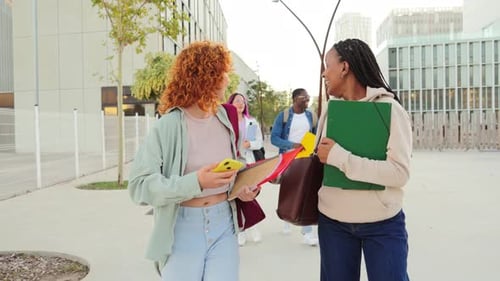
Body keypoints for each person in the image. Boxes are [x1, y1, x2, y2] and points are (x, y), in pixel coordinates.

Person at [127, 41, 259, 281]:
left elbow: (234, 165)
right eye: (222, 74)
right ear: (205, 77)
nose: (227, 80)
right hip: (182, 228)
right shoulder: (168, 126)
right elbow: (138, 186)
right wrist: (196, 182)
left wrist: (242, 188)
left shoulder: (226, 119)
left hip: (224, 225)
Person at [316, 38, 412, 281]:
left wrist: (341, 157)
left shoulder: (390, 109)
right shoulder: (329, 111)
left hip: (383, 224)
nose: (323, 73)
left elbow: (399, 173)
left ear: (345, 67)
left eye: (327, 65)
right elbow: (316, 157)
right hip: (333, 223)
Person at [270, 88, 318, 246]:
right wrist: (292, 145)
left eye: (308, 97)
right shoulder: (283, 116)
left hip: (307, 158)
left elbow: (317, 135)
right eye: (305, 97)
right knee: (289, 190)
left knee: (306, 192)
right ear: (295, 98)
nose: (307, 99)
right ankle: (287, 216)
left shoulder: (311, 115)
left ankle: (307, 232)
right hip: (289, 157)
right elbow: (274, 138)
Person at [227, 92, 264, 246]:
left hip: (247, 162)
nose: (241, 104)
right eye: (237, 101)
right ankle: (240, 231)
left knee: (249, 195)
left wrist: (250, 144)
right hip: (231, 163)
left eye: (243, 101)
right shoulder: (227, 121)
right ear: (230, 103)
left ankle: (252, 226)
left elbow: (259, 142)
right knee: (236, 197)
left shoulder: (251, 122)